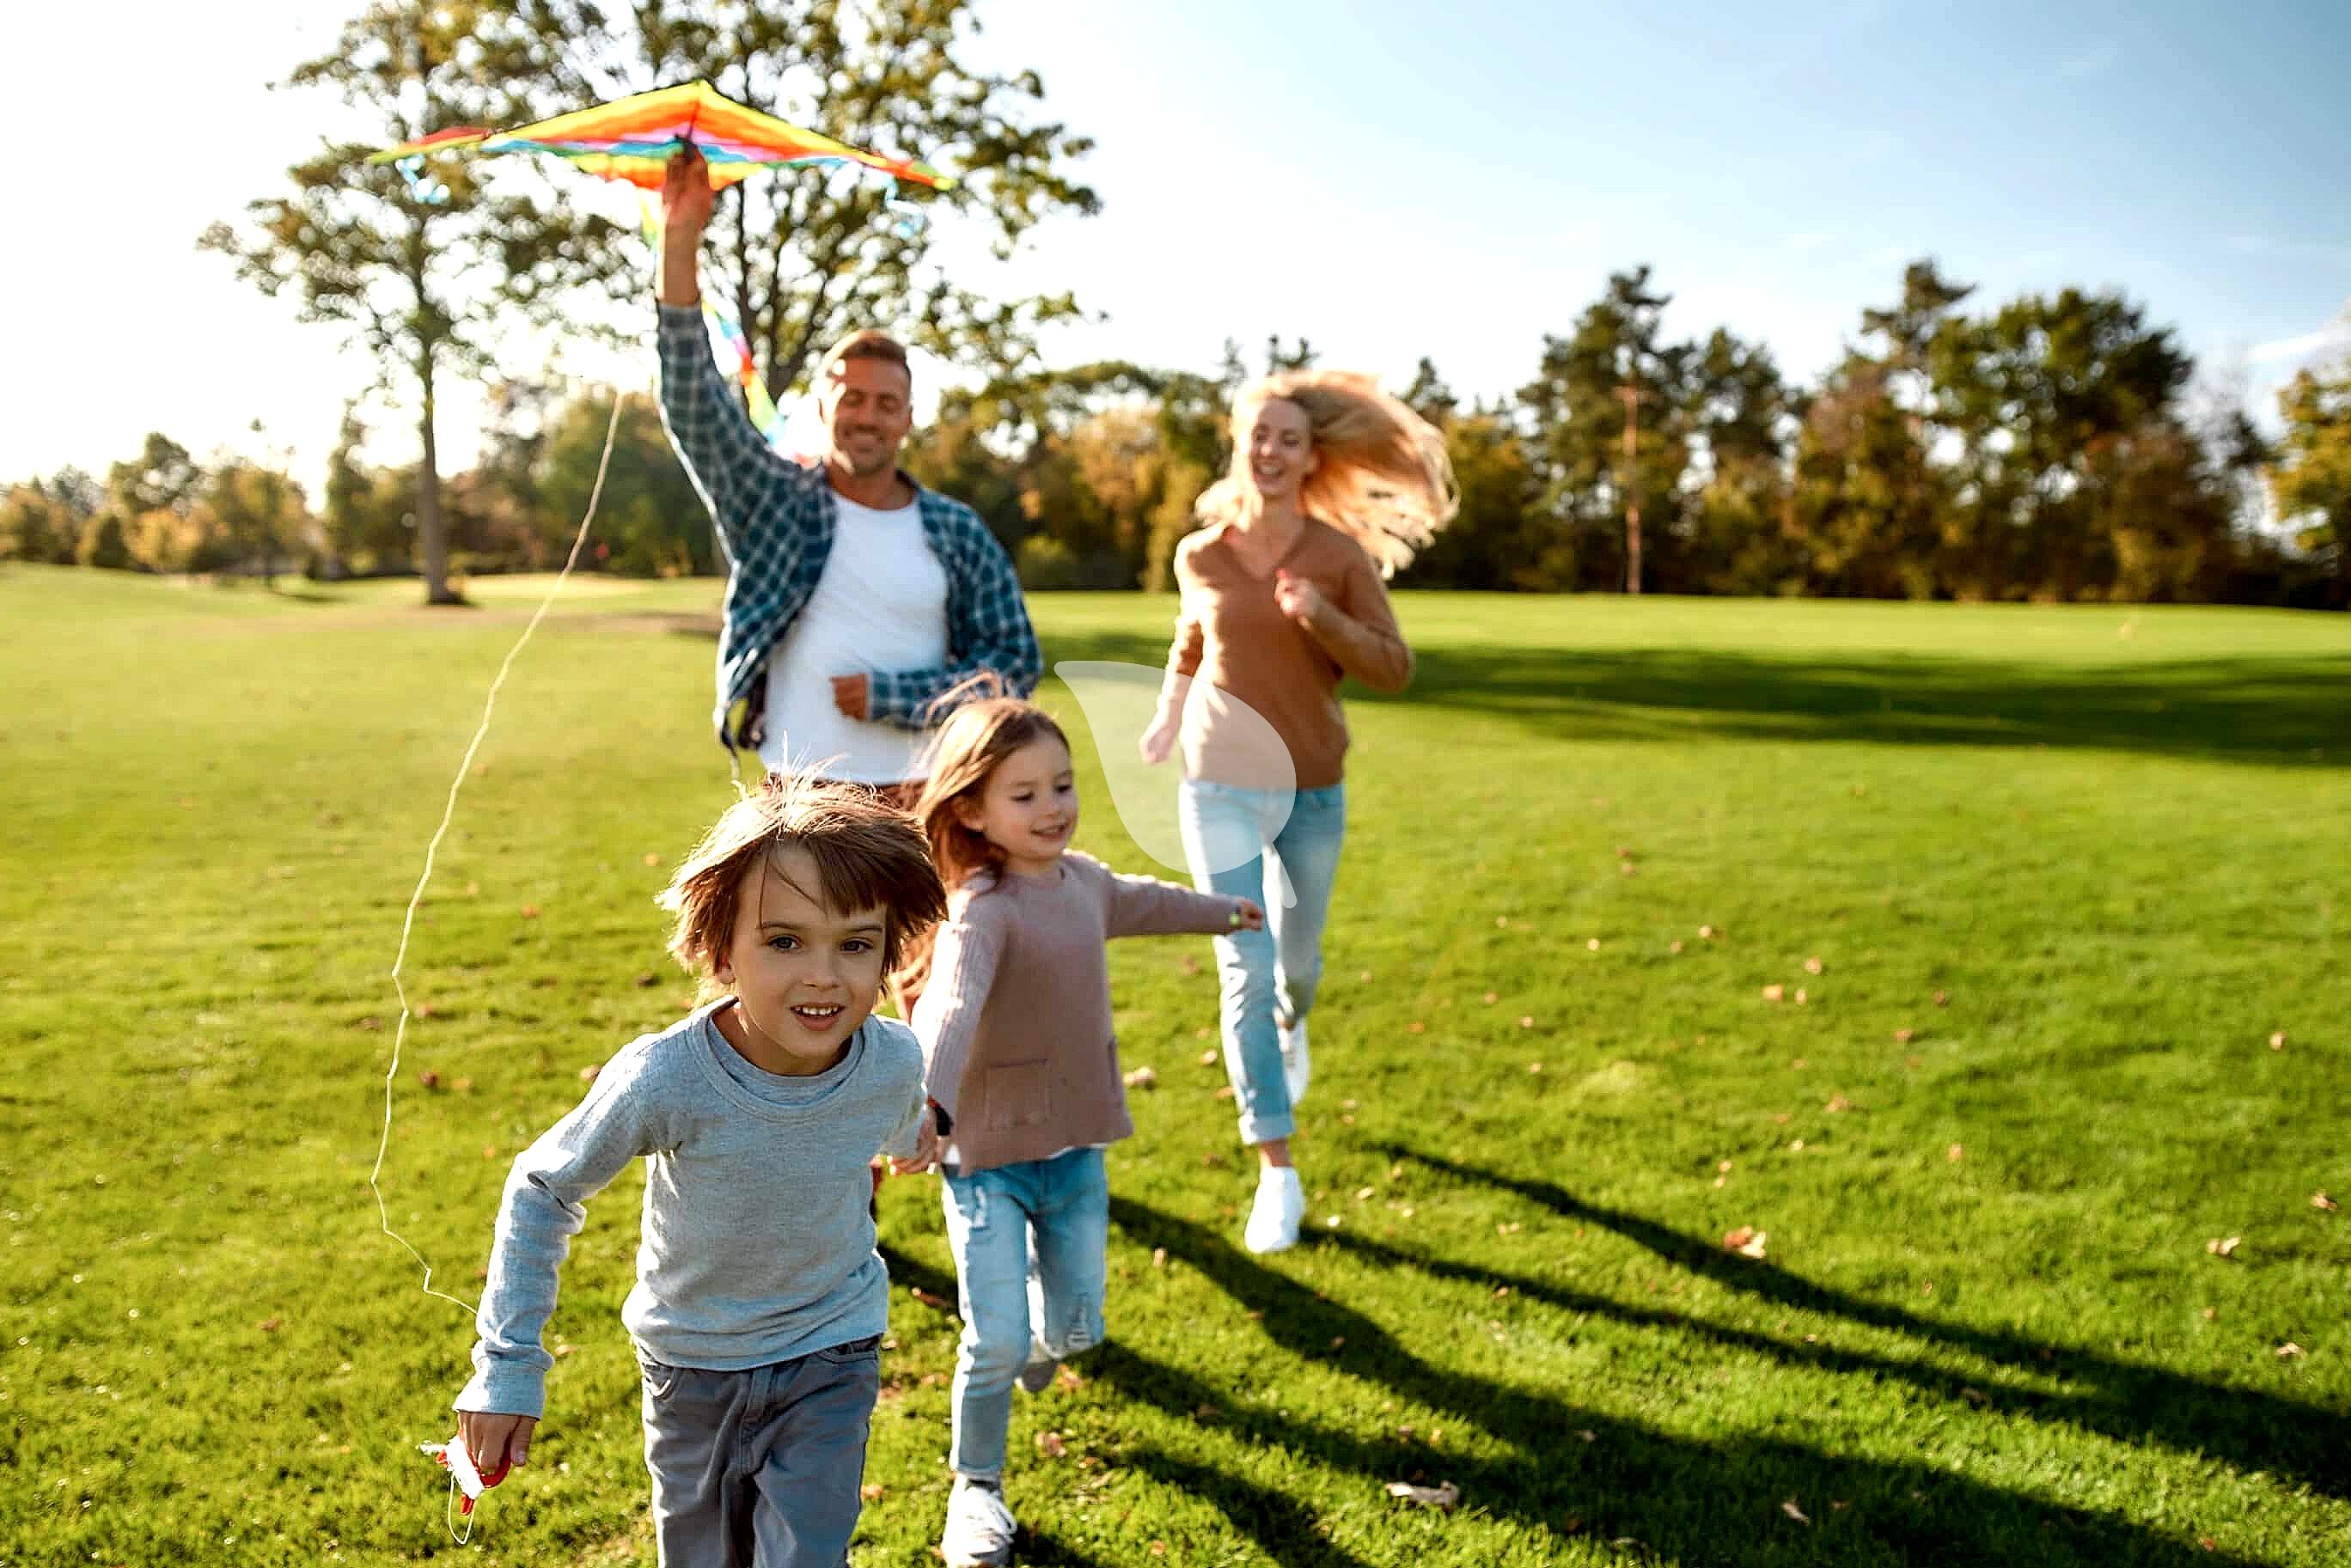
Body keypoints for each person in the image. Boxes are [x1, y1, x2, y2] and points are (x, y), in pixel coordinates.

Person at [449, 773, 949, 1567]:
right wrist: (507, 1369)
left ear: (890, 952)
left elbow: (895, 1120)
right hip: (694, 1367)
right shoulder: (666, 1078)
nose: (824, 975)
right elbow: (544, 1187)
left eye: (855, 943)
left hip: (833, 1349)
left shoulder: (893, 1058)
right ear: (722, 953)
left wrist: (922, 1133)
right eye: (784, 941)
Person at [895, 698, 1262, 1567]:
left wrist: (1223, 911)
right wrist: (930, 1108)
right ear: (973, 810)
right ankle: (975, 1490)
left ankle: (1038, 1321)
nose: (1053, 806)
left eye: (1061, 784)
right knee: (995, 1343)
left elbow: (1145, 901)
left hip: (1076, 1153)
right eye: (1025, 794)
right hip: (986, 1158)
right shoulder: (980, 910)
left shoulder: (1085, 883)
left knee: (1077, 1332)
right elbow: (946, 1011)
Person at [1138, 370, 1455, 1255]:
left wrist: (1322, 618)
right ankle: (1277, 1168)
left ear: (1311, 458)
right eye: (1258, 436)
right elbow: (1192, 638)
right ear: (1239, 447)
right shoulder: (1198, 553)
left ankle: (1296, 1014)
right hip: (1218, 785)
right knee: (1243, 966)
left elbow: (1393, 666)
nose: (1270, 451)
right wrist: (1168, 713)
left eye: (1288, 439)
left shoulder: (1337, 556)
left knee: (1295, 967)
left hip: (1313, 789)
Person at [654, 146, 1040, 802]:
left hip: (931, 794)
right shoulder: (775, 500)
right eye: (852, 399)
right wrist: (680, 235)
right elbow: (693, 398)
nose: (868, 416)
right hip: (801, 794)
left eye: (886, 403)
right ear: (823, 408)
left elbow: (1016, 661)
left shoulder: (954, 529)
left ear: (908, 419)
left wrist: (899, 697)